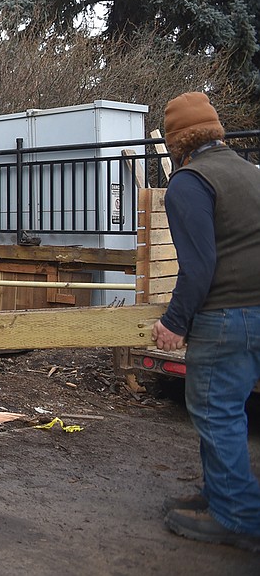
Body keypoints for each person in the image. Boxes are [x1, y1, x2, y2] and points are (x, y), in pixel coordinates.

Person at [150, 92, 260, 553]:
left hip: (226, 315)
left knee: (217, 413)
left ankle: (236, 516)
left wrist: (174, 322)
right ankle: (220, 496)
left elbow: (198, 267)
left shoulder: (190, 183)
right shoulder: (249, 173)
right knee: (230, 410)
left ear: (176, 142)